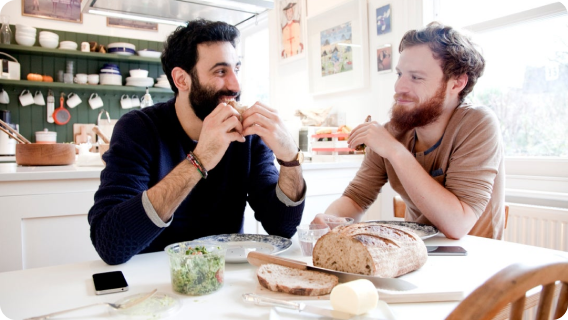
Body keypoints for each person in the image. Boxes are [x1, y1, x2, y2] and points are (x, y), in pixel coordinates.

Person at [88, 19, 306, 265]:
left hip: (225, 278)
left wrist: (291, 159)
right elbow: (110, 243)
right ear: (182, 79)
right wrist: (199, 160)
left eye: (237, 69)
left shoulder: (248, 135)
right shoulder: (138, 129)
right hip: (155, 280)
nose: (235, 85)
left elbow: (282, 226)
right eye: (220, 71)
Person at [313, 22, 506, 240]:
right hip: (416, 254)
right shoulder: (392, 133)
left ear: (457, 83)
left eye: (416, 77)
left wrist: (395, 151)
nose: (399, 88)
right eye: (399, 75)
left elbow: (458, 224)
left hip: (476, 258)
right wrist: (329, 219)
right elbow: (356, 198)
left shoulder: (478, 124)